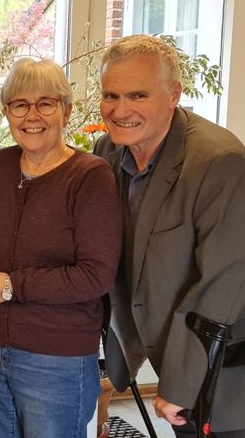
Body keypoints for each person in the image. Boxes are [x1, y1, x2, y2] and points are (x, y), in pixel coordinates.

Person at [0, 58, 123, 438]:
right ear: (7, 112)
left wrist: (11, 285)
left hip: (56, 356)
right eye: (20, 104)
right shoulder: (0, 165)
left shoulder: (90, 176)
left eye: (45, 103)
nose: (32, 116)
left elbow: (95, 276)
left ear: (66, 110)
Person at [95, 35, 245, 438]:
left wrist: (181, 384)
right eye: (111, 95)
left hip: (225, 371)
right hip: (167, 351)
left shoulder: (219, 161)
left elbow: (223, 284)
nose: (120, 110)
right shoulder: (108, 151)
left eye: (138, 95)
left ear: (174, 94)